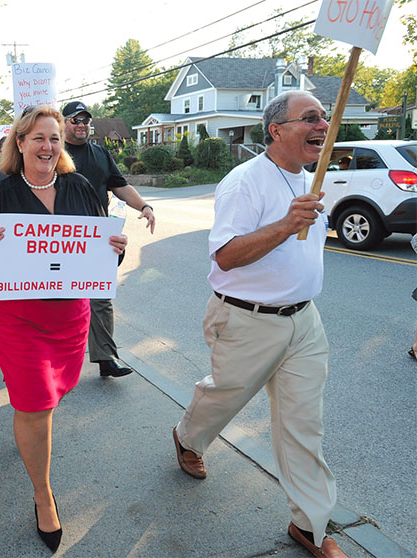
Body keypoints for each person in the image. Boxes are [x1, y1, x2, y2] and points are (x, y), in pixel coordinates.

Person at [172, 91, 346, 558]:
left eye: (324, 118)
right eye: (310, 118)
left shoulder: (312, 178)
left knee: (303, 425)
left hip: (305, 322)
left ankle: (310, 526)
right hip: (245, 320)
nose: (322, 125)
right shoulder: (244, 182)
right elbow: (226, 256)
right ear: (277, 130)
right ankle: (188, 438)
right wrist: (286, 225)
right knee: (224, 396)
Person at [0, 105, 128, 552]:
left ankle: (29, 432)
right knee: (34, 403)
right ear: (19, 143)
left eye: (54, 138)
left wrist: (114, 249)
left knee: (51, 398)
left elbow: (102, 258)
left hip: (69, 317)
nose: (48, 146)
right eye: (38, 138)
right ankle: (43, 494)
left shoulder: (80, 188)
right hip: (18, 317)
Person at [62, 100, 155, 378]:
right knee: (63, 303)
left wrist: (145, 207)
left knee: (101, 299)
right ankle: (56, 361)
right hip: (60, 238)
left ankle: (106, 358)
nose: (82, 125)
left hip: (97, 237)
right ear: (64, 123)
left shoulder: (100, 153)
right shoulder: (54, 151)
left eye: (85, 120)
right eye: (75, 120)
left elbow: (120, 186)